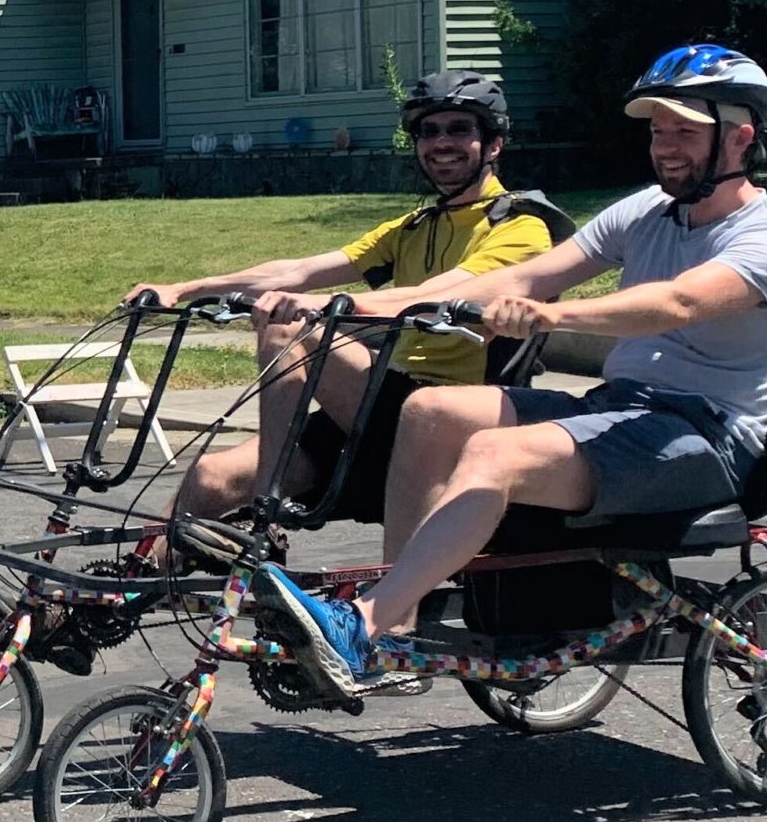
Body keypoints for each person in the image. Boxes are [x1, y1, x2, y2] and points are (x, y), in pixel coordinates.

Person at [267, 46, 767, 696]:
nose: (666, 147)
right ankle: (396, 632)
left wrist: (553, 318)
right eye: (657, 131)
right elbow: (525, 275)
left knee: (495, 456)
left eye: (685, 132)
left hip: (709, 439)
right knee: (432, 411)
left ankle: (364, 622)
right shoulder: (644, 210)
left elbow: (679, 302)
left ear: (741, 137)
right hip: (624, 408)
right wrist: (351, 306)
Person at [135, 72, 559, 531]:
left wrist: (323, 307)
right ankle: (128, 591)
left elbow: (436, 294)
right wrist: (186, 289)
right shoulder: (415, 226)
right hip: (384, 399)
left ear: (493, 145)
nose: (441, 142)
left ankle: (266, 504)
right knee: (212, 477)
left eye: (459, 129)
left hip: (452, 412)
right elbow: (298, 271)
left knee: (288, 329)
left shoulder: (519, 227)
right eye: (428, 131)